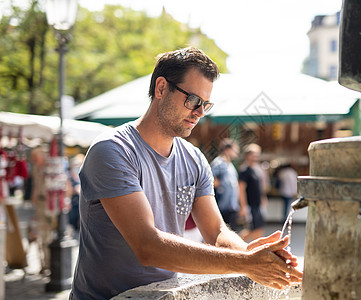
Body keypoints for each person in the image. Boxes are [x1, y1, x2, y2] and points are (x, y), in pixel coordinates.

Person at [70, 47, 302, 300]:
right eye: (193, 100)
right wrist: (245, 262)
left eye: (206, 104)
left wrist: (250, 254)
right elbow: (147, 246)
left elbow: (216, 232)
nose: (200, 112)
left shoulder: (194, 158)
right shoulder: (112, 150)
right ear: (161, 88)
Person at [30, 146, 54, 275]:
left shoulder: (51, 167)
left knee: (50, 236)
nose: (33, 160)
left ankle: (50, 264)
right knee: (41, 235)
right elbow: (35, 186)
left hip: (50, 204)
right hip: (40, 203)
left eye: (35, 158)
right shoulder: (35, 168)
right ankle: (44, 264)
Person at [238, 143, 267, 242]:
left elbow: (260, 188)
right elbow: (241, 190)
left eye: (257, 154)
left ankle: (256, 251)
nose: (256, 157)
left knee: (259, 230)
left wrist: (263, 199)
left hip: (257, 205)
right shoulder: (244, 170)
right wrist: (243, 207)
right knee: (252, 230)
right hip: (250, 206)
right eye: (254, 154)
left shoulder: (256, 170)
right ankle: (234, 245)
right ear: (248, 155)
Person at [210, 138, 240, 231]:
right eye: (235, 150)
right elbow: (211, 180)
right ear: (227, 150)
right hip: (222, 206)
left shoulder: (230, 165)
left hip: (231, 206)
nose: (237, 153)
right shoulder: (218, 163)